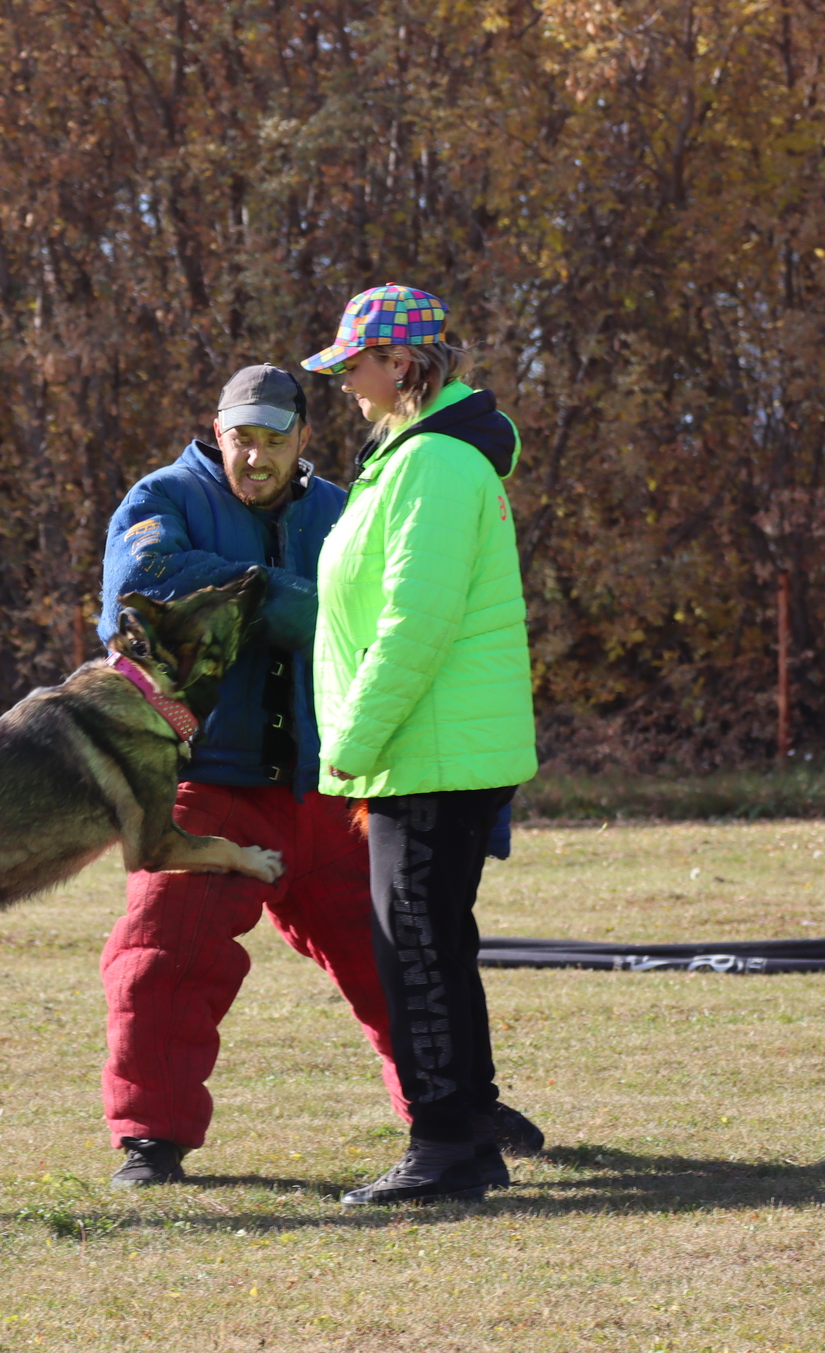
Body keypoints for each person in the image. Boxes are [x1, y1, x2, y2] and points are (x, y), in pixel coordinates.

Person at [96, 362, 546, 1187]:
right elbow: (144, 589)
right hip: (213, 783)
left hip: (327, 782)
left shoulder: (347, 504)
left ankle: (447, 1112)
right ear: (217, 431)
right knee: (163, 956)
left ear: (305, 437)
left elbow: (405, 622)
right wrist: (279, 596)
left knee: (401, 956)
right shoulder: (162, 499)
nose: (256, 458)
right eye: (242, 440)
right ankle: (151, 1138)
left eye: (274, 440)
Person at [301, 284, 540, 1205]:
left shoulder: (435, 463)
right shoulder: (407, 457)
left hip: (428, 751)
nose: (347, 385)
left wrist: (352, 739)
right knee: (428, 942)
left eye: (355, 366)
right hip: (423, 747)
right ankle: (466, 1139)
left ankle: (443, 1147)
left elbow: (416, 618)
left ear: (401, 365)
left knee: (419, 950)